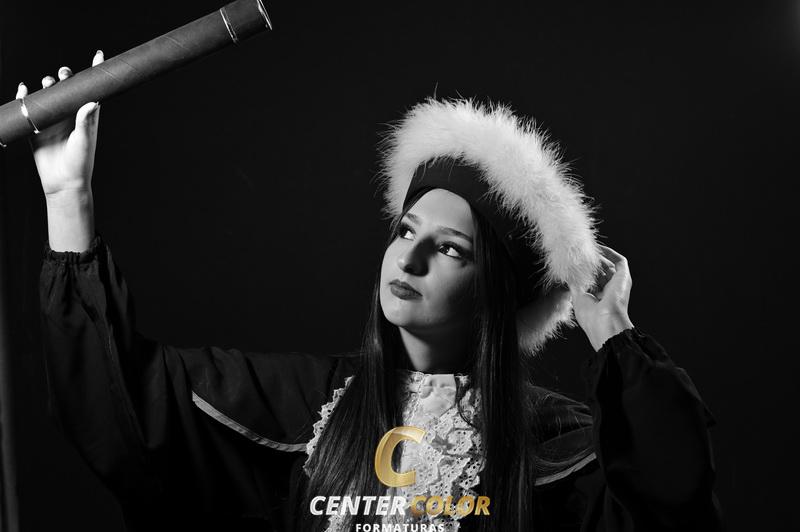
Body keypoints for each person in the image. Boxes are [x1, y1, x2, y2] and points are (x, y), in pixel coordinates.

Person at [26, 51, 724, 532]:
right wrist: (67, 195)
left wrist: (612, 329)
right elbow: (123, 406)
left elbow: (672, 507)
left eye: (449, 249)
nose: (408, 257)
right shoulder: (307, 408)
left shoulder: (551, 441)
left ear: (495, 295)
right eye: (405, 230)